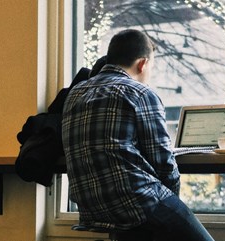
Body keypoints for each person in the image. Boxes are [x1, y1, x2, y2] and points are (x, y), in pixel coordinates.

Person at [63, 29, 214, 241]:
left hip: (93, 208)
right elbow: (163, 161)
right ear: (142, 64)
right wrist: (172, 203)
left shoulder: (75, 93)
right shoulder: (140, 93)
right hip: (137, 202)